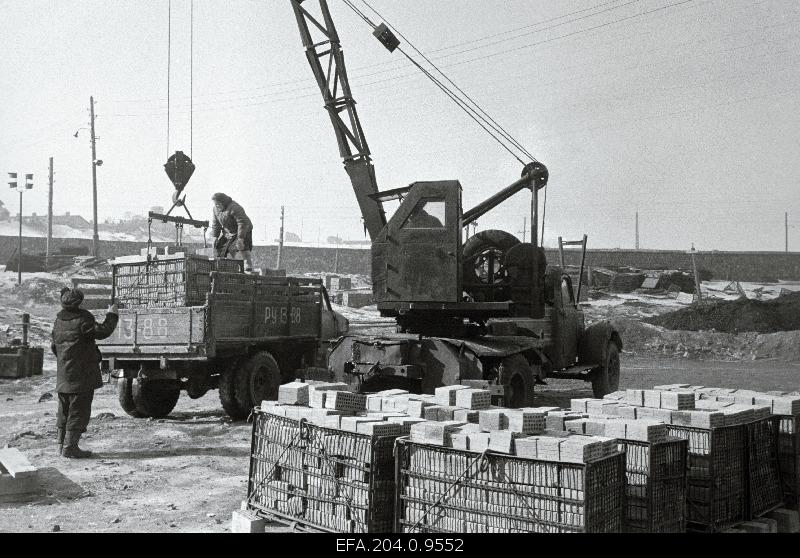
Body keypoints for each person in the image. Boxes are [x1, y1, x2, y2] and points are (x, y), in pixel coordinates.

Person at [51, 288, 119, 458]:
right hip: (82, 375)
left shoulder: (58, 320)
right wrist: (112, 315)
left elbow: (54, 347)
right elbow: (103, 332)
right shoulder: (83, 318)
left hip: (64, 374)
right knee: (79, 410)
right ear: (78, 302)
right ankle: (70, 447)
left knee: (64, 409)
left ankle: (61, 446)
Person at [210, 192, 254, 272]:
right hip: (229, 231)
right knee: (219, 246)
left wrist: (240, 238)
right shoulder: (215, 209)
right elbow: (215, 223)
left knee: (241, 246)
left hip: (244, 229)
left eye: (218, 204)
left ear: (223, 202)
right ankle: (222, 266)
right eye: (215, 204)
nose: (217, 206)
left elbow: (242, 223)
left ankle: (248, 265)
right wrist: (215, 237)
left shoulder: (235, 207)